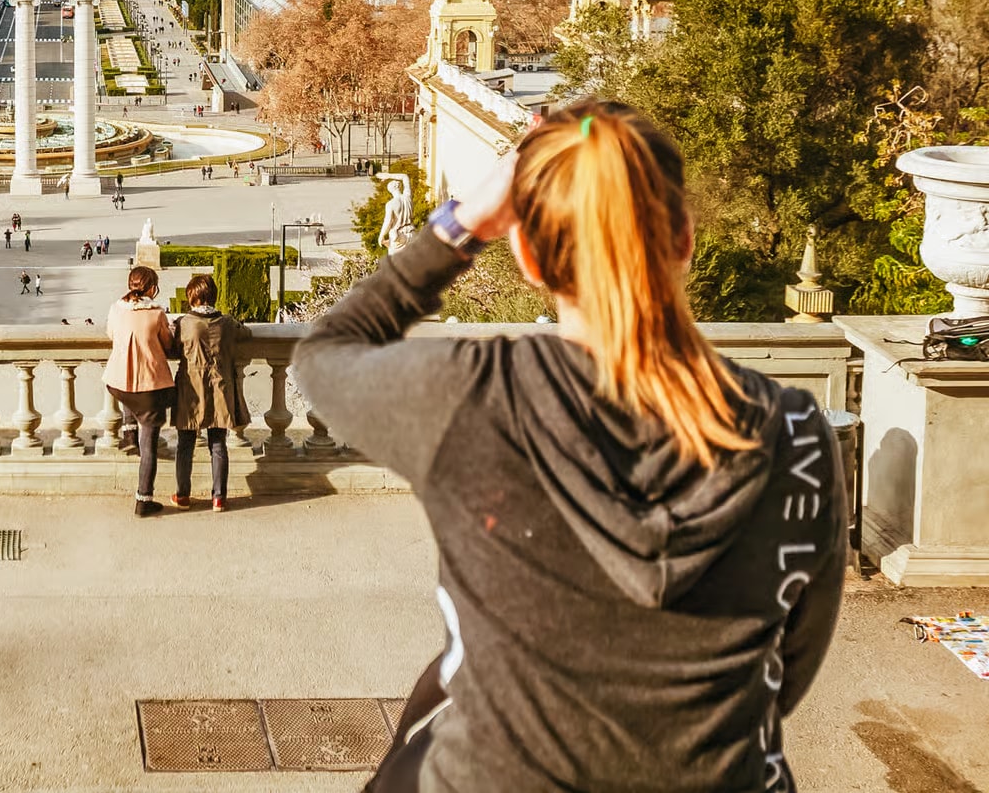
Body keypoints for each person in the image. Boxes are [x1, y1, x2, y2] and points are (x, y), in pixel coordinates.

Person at [292, 99, 846, 792]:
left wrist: (460, 227)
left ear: (526, 253)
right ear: (684, 239)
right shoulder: (795, 431)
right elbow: (783, 668)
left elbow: (321, 358)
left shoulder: (467, 397)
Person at [104, 265, 177, 517]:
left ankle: (128, 431)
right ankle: (143, 498)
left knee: (127, 387)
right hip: (148, 387)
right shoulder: (156, 313)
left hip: (117, 382)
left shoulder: (116, 308)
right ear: (153, 288)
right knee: (150, 447)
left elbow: (111, 334)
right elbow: (168, 345)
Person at [172, 274, 249, 511]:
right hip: (219, 386)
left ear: (192, 297)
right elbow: (246, 335)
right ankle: (219, 497)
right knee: (218, 444)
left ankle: (183, 495)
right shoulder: (226, 323)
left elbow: (172, 346)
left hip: (191, 388)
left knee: (185, 443)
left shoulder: (184, 323)